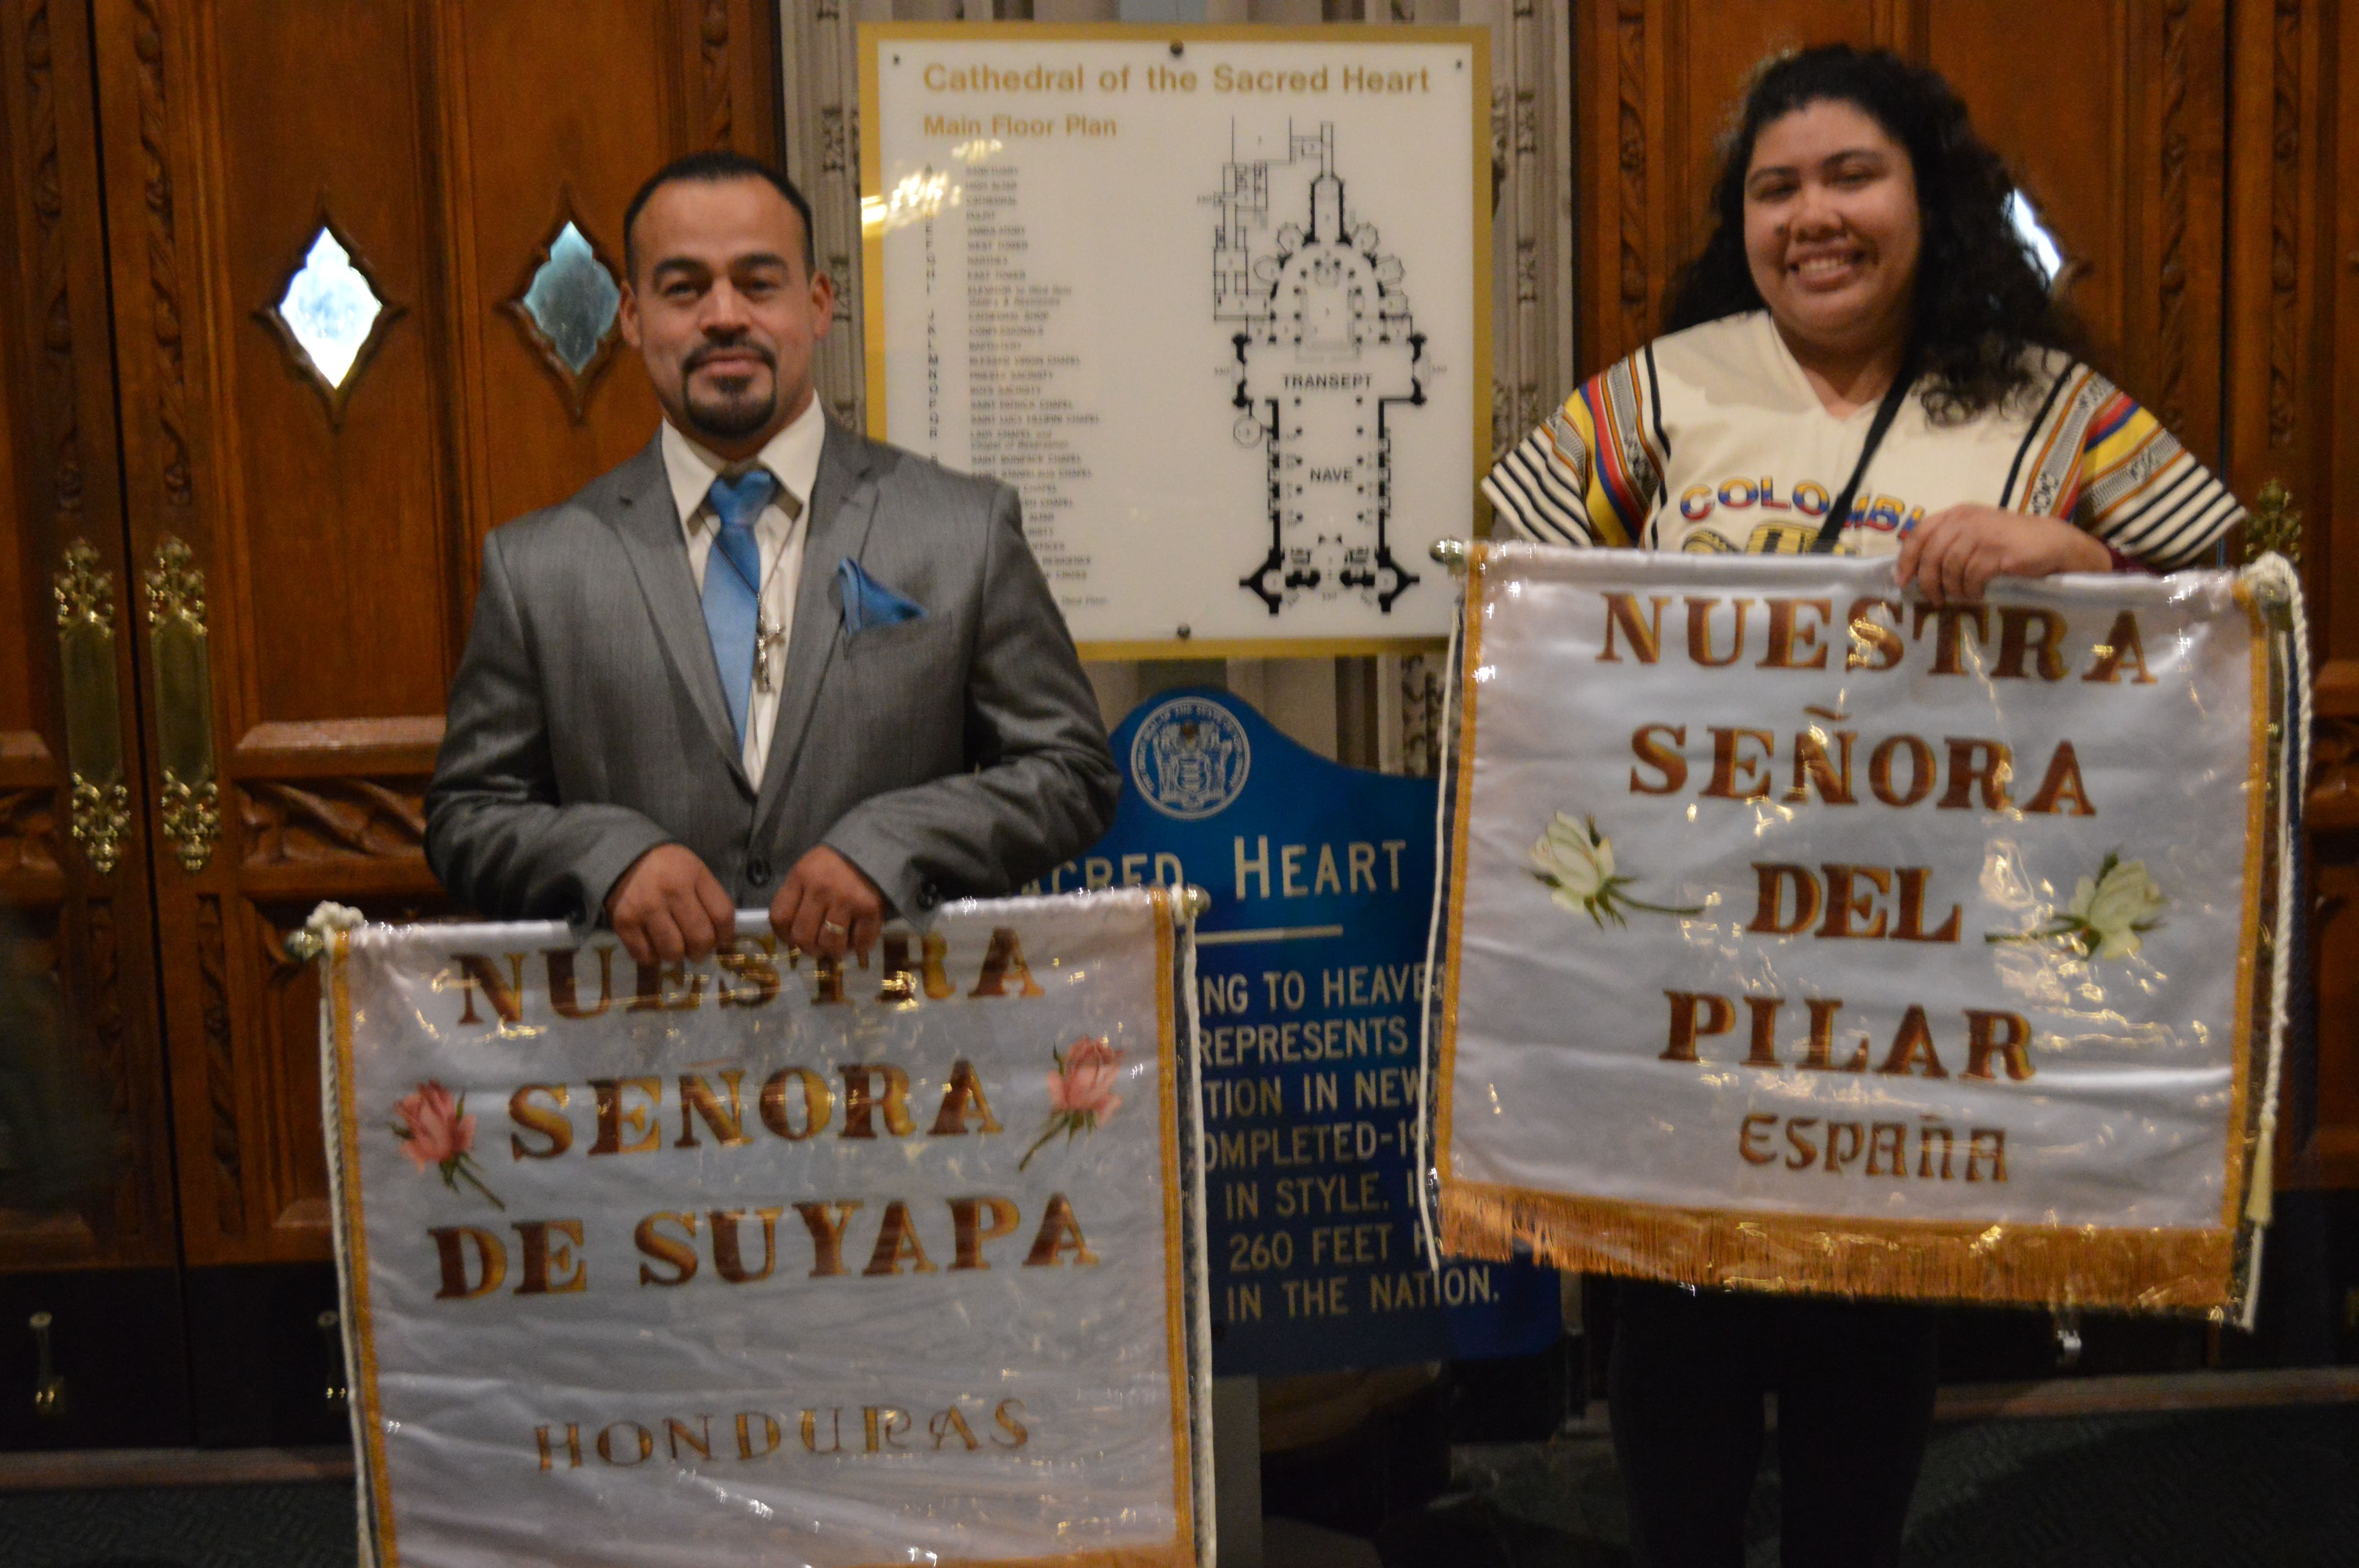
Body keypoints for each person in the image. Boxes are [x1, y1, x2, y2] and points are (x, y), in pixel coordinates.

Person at [1481, 45, 2243, 1568]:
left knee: (1866, 1335)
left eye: (1850, 177)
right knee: (1678, 1332)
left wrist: (2071, 555)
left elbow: (2232, 607)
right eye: (1776, 188)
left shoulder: (2045, 408)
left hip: (1920, 965)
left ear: (1927, 198)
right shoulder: (1666, 391)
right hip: (1688, 967)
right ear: (1741, 221)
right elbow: (1513, 596)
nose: (1812, 217)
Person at [426, 151, 1118, 964]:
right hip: (648, 1074)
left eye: (759, 283)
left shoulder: (963, 530)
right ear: (632, 316)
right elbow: (467, 816)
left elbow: (1071, 772)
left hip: (905, 1062)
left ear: (818, 304)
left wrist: (895, 844)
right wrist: (605, 858)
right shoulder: (537, 569)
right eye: (683, 288)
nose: (724, 316)